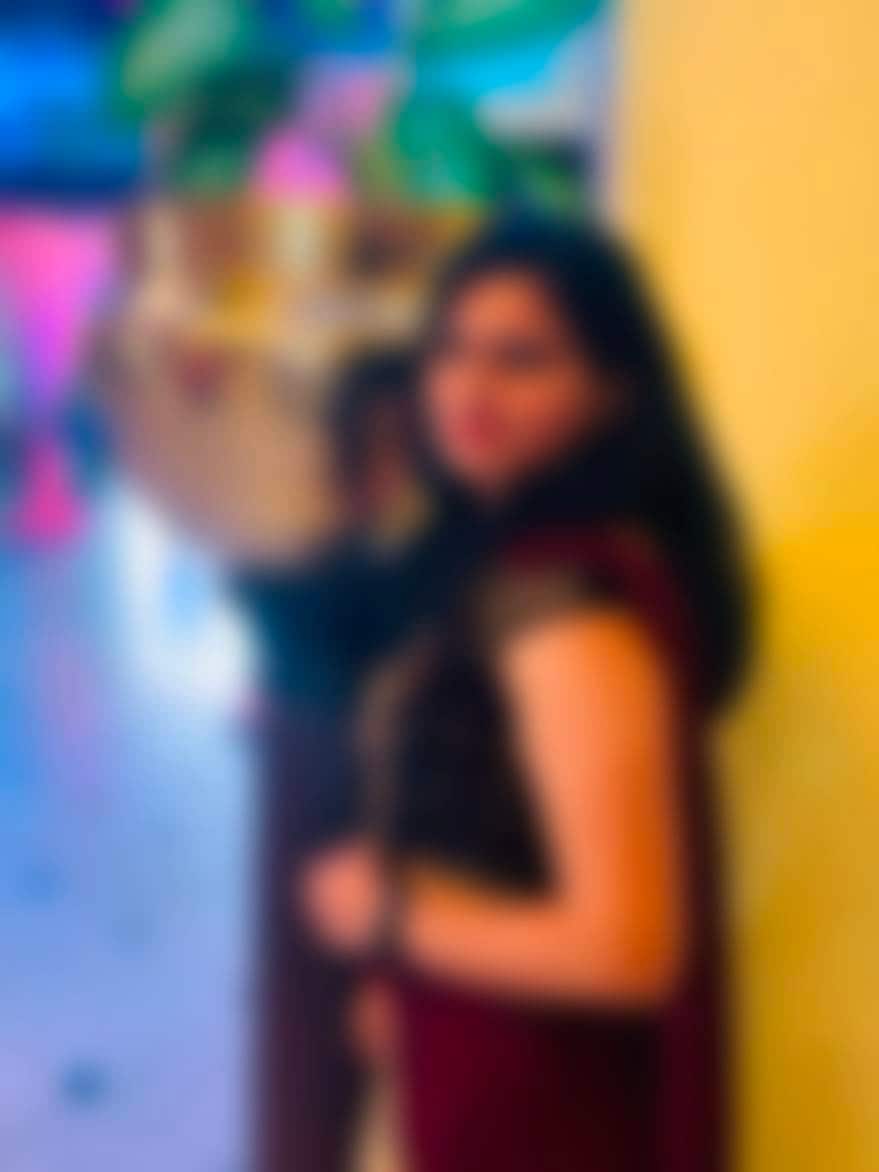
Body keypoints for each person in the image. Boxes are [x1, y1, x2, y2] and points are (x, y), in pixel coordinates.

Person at [302, 214, 751, 1172]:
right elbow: (502, 838)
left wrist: (388, 918)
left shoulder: (560, 607)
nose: (468, 387)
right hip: (474, 1059)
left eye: (521, 359)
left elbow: (629, 950)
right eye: (450, 349)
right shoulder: (513, 561)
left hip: (532, 1105)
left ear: (612, 392)